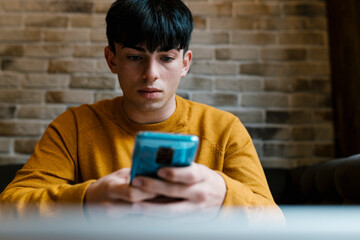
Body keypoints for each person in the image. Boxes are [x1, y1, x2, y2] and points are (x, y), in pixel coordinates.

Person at [0, 0, 279, 218]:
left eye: (166, 58)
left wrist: (224, 197)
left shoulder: (225, 129)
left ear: (185, 63)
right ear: (112, 59)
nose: (151, 74)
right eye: (135, 57)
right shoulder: (73, 127)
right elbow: (8, 209)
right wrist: (87, 200)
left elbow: (274, 223)